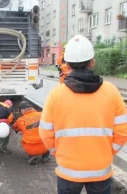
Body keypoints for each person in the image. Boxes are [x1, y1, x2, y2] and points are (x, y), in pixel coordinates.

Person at [39, 35, 127, 194]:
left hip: (68, 171)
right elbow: (122, 131)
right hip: (101, 170)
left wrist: (57, 152)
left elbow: (45, 133)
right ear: (92, 61)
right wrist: (108, 151)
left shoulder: (55, 94)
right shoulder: (111, 91)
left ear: (67, 64)